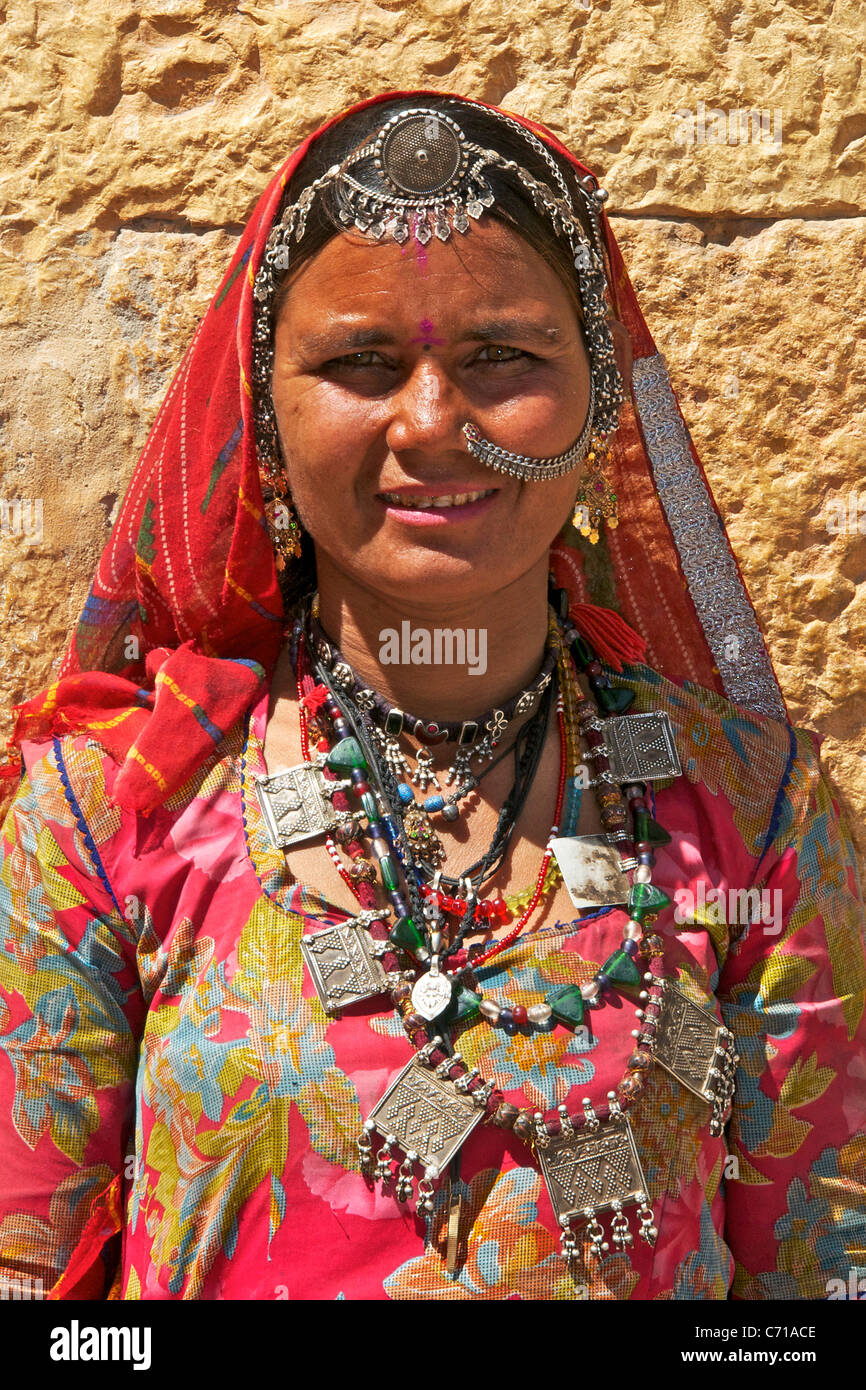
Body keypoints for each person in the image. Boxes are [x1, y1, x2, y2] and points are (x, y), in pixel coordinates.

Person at [0, 90, 863, 1303]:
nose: (430, 424)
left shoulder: (751, 817)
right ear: (264, 409)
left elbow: (823, 1282)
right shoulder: (116, 814)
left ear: (597, 395)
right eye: (359, 363)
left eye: (500, 357)